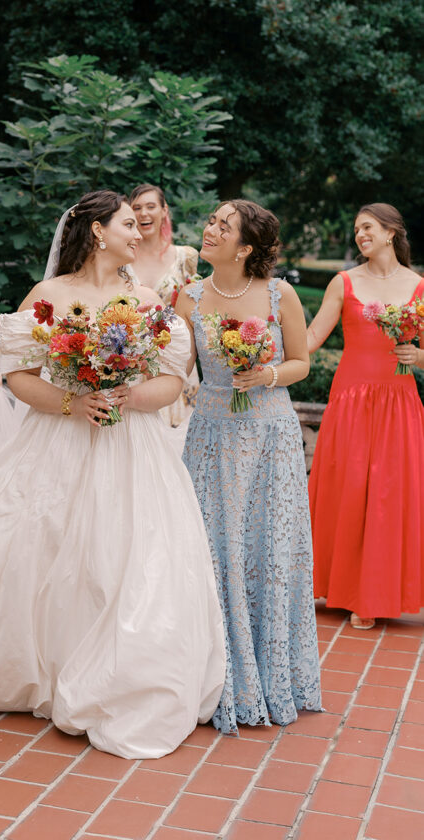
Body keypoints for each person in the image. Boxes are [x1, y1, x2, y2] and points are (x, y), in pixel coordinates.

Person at [0, 190, 226, 759]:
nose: (139, 232)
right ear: (98, 231)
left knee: (124, 556)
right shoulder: (49, 296)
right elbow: (20, 373)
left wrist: (129, 393)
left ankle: (116, 672)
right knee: (36, 544)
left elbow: (173, 379)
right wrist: (73, 404)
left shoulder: (148, 301)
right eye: (128, 223)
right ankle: (28, 668)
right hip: (60, 435)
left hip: (131, 443)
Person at [176, 199, 322, 734]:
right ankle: (215, 675)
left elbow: (301, 362)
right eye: (211, 221)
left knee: (266, 547)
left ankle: (269, 673)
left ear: (246, 247)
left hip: (270, 438)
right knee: (212, 548)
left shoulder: (280, 295)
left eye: (222, 225)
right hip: (210, 437)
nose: (209, 229)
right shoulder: (188, 296)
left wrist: (268, 377)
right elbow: (177, 368)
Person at [307, 203, 424, 629]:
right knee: (350, 488)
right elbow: (314, 336)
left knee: (388, 496)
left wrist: (419, 355)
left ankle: (371, 597)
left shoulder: (419, 287)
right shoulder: (343, 282)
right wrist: (265, 352)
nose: (360, 235)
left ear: (392, 232)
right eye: (357, 229)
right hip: (351, 402)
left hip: (399, 403)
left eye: (368, 227)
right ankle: (338, 587)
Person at [129, 183, 200, 431]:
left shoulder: (186, 257)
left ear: (164, 210)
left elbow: (193, 312)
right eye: (136, 208)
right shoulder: (120, 259)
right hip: (131, 361)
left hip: (175, 359)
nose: (143, 214)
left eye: (151, 206)